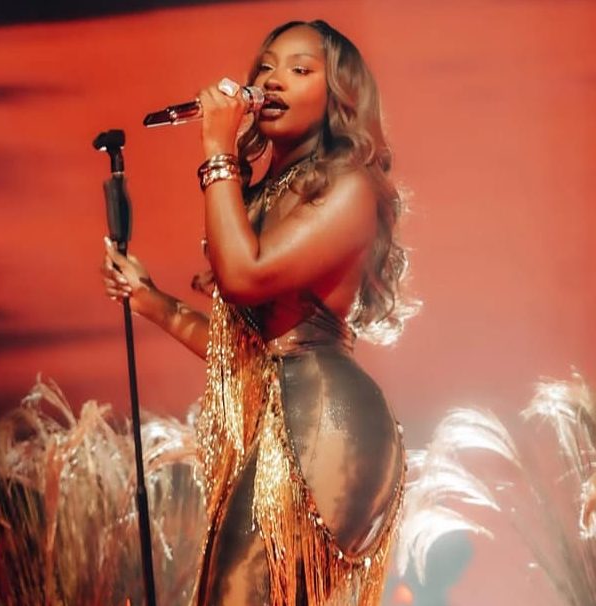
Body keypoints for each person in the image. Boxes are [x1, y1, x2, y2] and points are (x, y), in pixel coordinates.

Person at [102, 19, 413, 606]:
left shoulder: (350, 185)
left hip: (328, 424)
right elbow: (243, 351)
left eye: (299, 70)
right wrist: (150, 300)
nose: (273, 80)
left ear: (339, 96)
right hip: (286, 414)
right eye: (265, 68)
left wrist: (219, 153)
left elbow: (244, 276)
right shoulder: (266, 194)